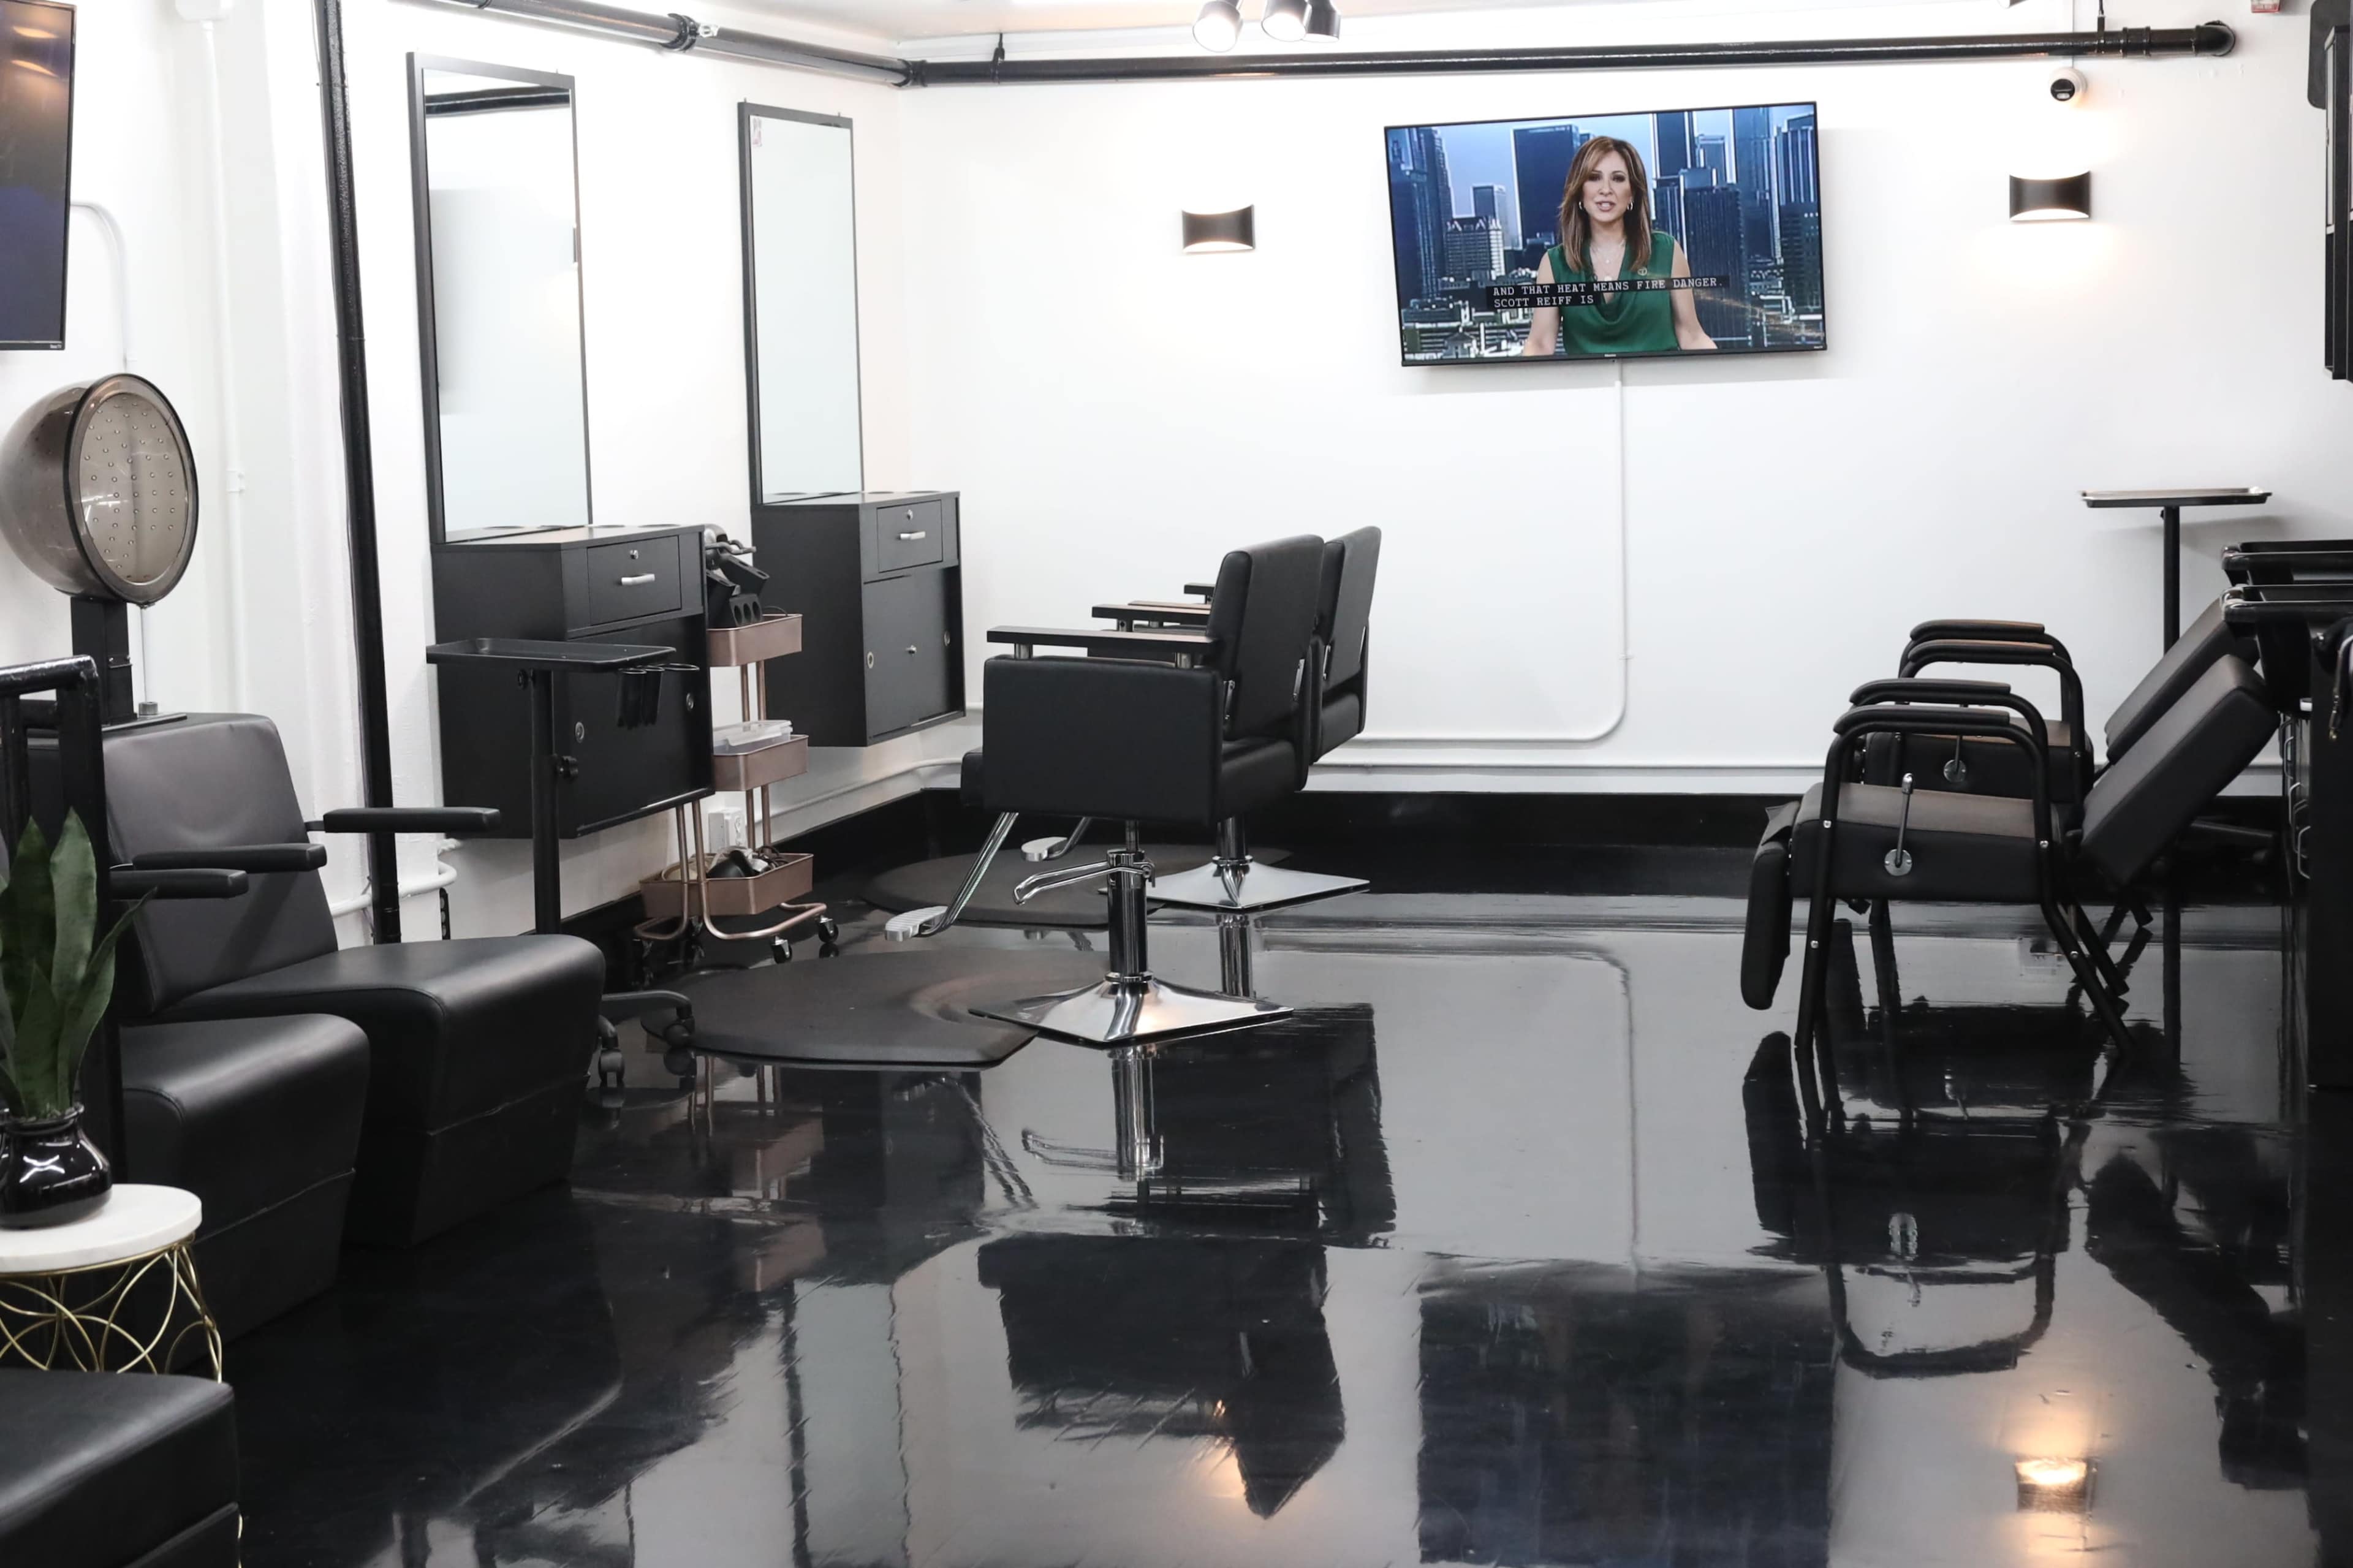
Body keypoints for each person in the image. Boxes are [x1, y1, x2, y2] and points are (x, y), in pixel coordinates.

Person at [1520, 135, 1717, 357]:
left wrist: (1732, 377)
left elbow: (1691, 335)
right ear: (1579, 191)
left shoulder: (1666, 251)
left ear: (1632, 192)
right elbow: (1540, 345)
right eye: (1594, 178)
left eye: (1618, 179)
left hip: (1662, 386)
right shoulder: (1555, 264)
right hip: (1589, 388)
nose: (1606, 189)